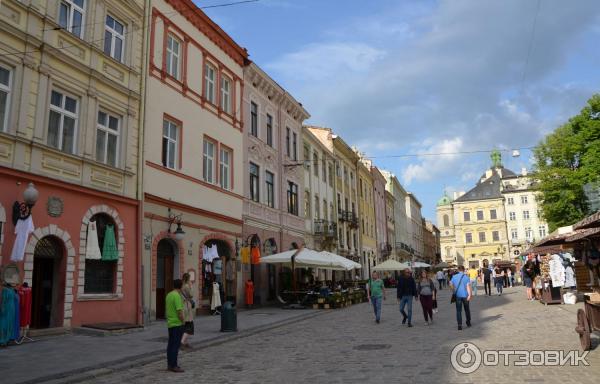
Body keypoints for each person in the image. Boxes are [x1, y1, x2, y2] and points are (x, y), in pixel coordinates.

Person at [166, 279, 185, 373]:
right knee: (175, 346)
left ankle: (169, 364)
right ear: (181, 286)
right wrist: (183, 321)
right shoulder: (177, 296)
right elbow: (179, 311)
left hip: (170, 323)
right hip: (177, 323)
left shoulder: (169, 295)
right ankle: (174, 365)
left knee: (170, 345)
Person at [450, 266, 472, 331]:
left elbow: (450, 283)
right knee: (467, 309)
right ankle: (468, 322)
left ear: (458, 270)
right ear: (464, 270)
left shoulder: (454, 276)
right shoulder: (466, 277)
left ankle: (459, 325)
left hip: (458, 296)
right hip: (465, 295)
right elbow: (468, 287)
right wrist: (470, 295)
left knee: (458, 311)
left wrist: (453, 290)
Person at [180, 273, 195, 350]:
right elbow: (191, 295)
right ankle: (182, 342)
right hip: (186, 306)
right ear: (188, 279)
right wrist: (191, 286)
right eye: (190, 279)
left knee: (185, 325)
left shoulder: (182, 285)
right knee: (189, 326)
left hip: (184, 305)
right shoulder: (187, 286)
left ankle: (185, 343)